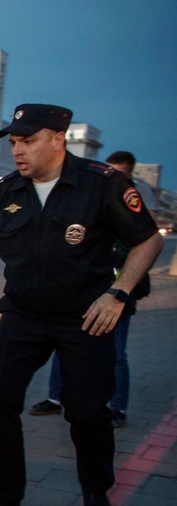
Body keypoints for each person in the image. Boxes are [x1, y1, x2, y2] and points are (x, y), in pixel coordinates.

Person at [0, 106, 162, 506]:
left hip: (85, 318)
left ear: (57, 139)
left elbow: (148, 241)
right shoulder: (7, 191)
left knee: (87, 412)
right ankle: (5, 495)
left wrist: (117, 294)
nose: (18, 151)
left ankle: (96, 491)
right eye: (13, 143)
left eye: (27, 141)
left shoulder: (102, 184)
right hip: (22, 316)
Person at [29, 150, 153, 428]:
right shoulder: (90, 194)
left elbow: (146, 240)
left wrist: (122, 291)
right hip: (83, 290)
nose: (108, 178)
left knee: (117, 353)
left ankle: (117, 407)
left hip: (118, 292)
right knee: (64, 345)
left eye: (118, 173)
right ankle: (55, 398)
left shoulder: (134, 195)